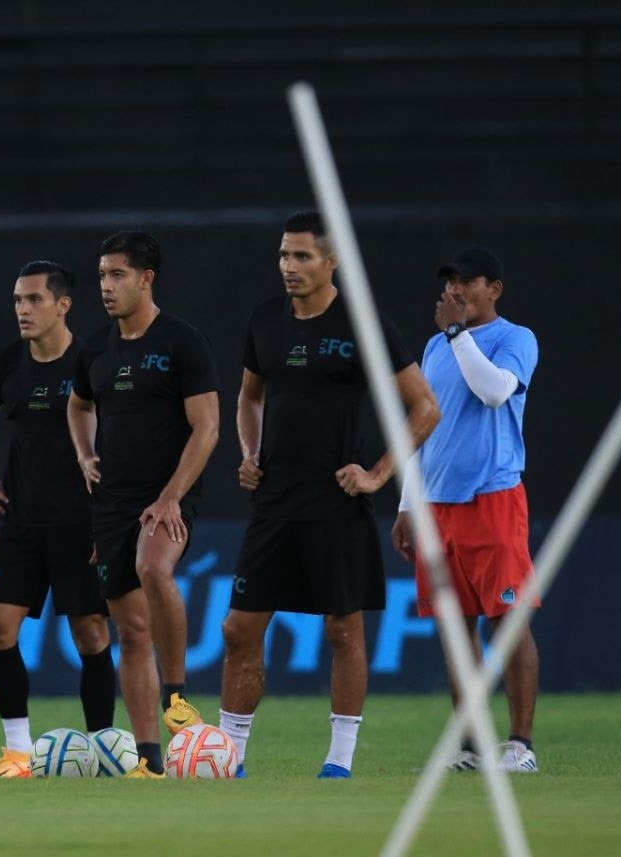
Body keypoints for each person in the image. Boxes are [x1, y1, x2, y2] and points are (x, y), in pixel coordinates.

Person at [219, 211, 440, 779]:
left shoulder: (363, 324)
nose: (288, 267)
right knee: (239, 629)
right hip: (274, 503)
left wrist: (377, 473)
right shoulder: (265, 320)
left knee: (343, 631)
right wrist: (249, 453)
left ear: (332, 260)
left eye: (302, 257)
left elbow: (425, 408)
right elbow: (248, 399)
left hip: (336, 504)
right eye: (283, 256)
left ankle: (338, 762)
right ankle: (227, 757)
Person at [67, 231, 221, 779]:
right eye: (102, 275)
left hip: (168, 496)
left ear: (146, 278)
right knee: (131, 634)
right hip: (112, 503)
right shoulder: (94, 349)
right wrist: (85, 454)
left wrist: (172, 495)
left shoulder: (182, 341)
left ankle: (177, 696)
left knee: (153, 567)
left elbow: (207, 428)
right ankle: (150, 760)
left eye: (117, 275)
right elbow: (78, 405)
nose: (106, 286)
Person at [391, 245, 540, 774]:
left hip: (492, 497)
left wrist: (458, 336)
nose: (455, 290)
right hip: (437, 506)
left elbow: (496, 392)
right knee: (456, 628)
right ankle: (473, 746)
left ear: (493, 289)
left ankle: (520, 745)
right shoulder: (434, 346)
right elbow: (423, 426)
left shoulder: (514, 339)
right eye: (450, 281)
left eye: (467, 282)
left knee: (507, 623)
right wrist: (408, 504)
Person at [0, 260, 116, 779]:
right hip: (21, 522)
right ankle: (17, 753)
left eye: (33, 300)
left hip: (82, 523)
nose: (23, 310)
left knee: (91, 636)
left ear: (63, 305)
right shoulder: (6, 363)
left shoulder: (94, 360)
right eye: (17, 301)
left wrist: (109, 521)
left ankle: (103, 751)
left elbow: (118, 444)